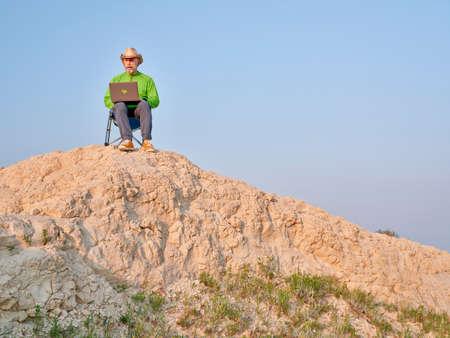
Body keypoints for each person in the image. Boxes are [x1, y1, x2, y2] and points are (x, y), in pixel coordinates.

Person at [104, 48, 160, 152]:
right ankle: (127, 141)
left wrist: (144, 100)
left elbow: (155, 100)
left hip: (138, 114)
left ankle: (146, 141)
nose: (128, 62)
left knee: (144, 104)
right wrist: (116, 102)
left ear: (138, 61)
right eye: (126, 60)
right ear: (123, 62)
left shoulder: (147, 80)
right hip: (121, 113)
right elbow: (107, 99)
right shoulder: (116, 79)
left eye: (132, 59)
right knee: (119, 105)